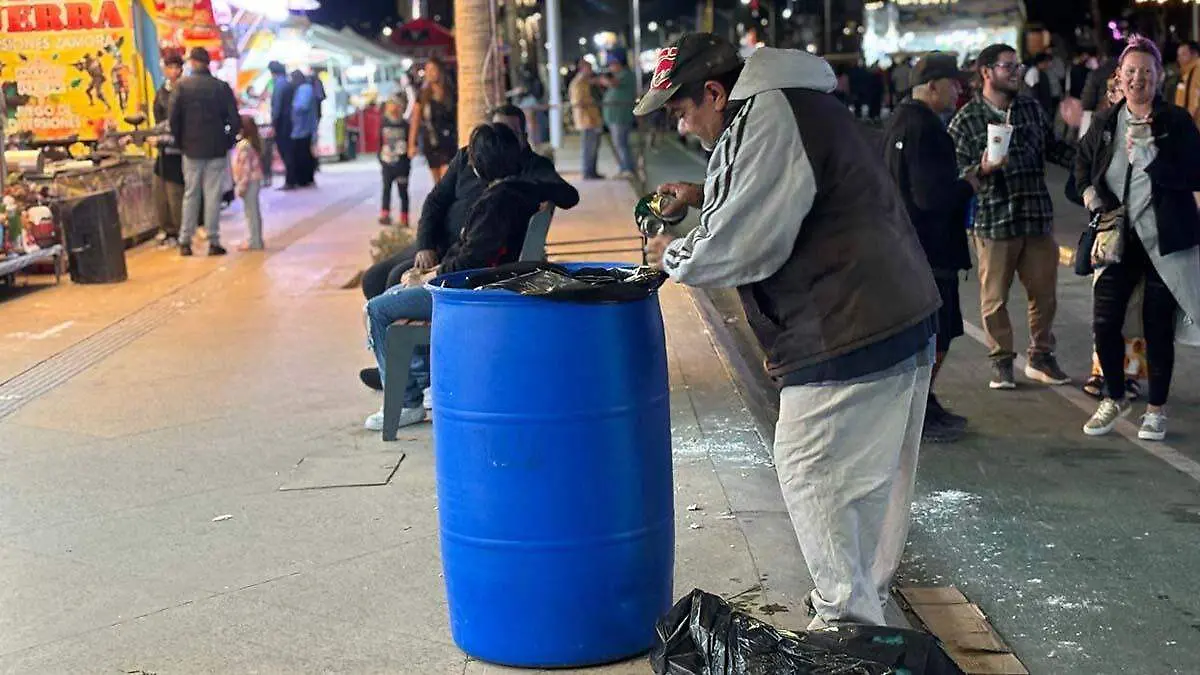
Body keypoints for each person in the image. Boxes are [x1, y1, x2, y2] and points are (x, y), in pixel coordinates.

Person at [637, 34, 941, 630]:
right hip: (892, 315)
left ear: (716, 92)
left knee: (810, 468)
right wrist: (704, 197)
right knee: (868, 487)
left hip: (848, 326)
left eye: (682, 109)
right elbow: (779, 192)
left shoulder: (772, 113)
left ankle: (846, 628)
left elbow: (744, 242)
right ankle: (862, 614)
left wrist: (673, 254)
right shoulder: (784, 104)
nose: (681, 122)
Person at [362, 123, 581, 431]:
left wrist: (427, 277)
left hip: (468, 292)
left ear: (478, 165)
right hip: (476, 281)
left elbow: (472, 261)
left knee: (377, 308)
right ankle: (417, 380)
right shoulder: (522, 190)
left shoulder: (496, 203)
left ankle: (405, 402)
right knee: (388, 286)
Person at [1074, 37, 1200, 441]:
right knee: (1104, 321)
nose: (1137, 79)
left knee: (1157, 328)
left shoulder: (1176, 122)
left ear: (1159, 77)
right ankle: (1113, 394)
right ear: (1119, 77)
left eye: (1146, 72)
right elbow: (1081, 163)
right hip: (1118, 236)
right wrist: (1090, 195)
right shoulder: (1108, 121)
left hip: (1163, 240)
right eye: (1130, 72)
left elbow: (1193, 175)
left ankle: (1156, 410)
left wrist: (1154, 164)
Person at [360, 105, 579, 305]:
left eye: (509, 133)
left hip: (464, 253)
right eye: (496, 130)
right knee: (372, 279)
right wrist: (425, 244)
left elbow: (568, 196)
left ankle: (411, 342)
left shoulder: (530, 167)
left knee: (395, 279)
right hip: (439, 242)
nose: (499, 138)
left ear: (522, 136)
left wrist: (518, 184)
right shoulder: (469, 155)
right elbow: (435, 200)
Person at [948, 43, 1069, 390]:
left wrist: (1091, 154)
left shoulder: (1030, 108)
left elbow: (1055, 148)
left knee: (1044, 294)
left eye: (1017, 66)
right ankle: (1002, 360)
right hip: (994, 220)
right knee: (994, 298)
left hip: (1035, 215)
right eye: (1007, 67)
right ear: (986, 72)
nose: (1016, 72)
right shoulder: (966, 119)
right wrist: (981, 168)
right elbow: (953, 173)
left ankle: (1041, 356)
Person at [883, 53, 982, 443]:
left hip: (906, 246)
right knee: (938, 333)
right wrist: (970, 184)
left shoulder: (898, 120)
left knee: (931, 333)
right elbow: (931, 196)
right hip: (930, 249)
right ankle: (915, 409)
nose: (960, 90)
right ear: (933, 86)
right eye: (954, 84)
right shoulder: (926, 127)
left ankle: (922, 402)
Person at [169, 46, 239, 257]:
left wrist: (181, 141)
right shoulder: (220, 87)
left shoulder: (182, 87)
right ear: (207, 63)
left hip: (190, 149)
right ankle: (214, 241)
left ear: (192, 62)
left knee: (191, 194)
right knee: (212, 195)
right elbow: (234, 119)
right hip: (216, 148)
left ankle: (185, 241)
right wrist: (227, 141)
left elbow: (174, 119)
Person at [152, 51, 184, 249]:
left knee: (176, 194)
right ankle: (167, 229)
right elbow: (158, 120)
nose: (172, 71)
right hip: (163, 151)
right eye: (168, 66)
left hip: (178, 151)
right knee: (160, 192)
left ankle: (181, 230)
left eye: (175, 67)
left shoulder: (184, 90)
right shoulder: (161, 92)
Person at [409, 57, 457, 183]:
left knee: (447, 178)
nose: (430, 73)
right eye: (427, 70)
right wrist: (411, 144)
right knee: (437, 183)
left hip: (449, 141)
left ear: (440, 71)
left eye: (433, 69)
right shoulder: (422, 94)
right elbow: (415, 120)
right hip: (431, 140)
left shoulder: (450, 92)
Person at [598, 51, 638, 179]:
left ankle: (628, 169)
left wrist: (602, 80)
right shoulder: (619, 75)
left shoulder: (626, 75)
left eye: (612, 64)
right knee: (618, 143)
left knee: (621, 143)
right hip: (613, 116)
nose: (610, 67)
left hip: (620, 116)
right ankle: (624, 168)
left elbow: (613, 83)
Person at [378, 92, 412, 226]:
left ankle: (404, 217)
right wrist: (380, 158)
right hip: (387, 161)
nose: (393, 108)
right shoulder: (383, 123)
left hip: (402, 163)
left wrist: (407, 160)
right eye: (390, 105)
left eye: (396, 105)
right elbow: (380, 142)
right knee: (386, 189)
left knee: (403, 192)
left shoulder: (405, 124)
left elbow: (410, 141)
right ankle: (384, 214)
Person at [232, 115, 265, 251]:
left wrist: (241, 186)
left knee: (251, 213)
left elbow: (245, 168)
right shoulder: (253, 143)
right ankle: (256, 239)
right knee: (254, 211)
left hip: (249, 182)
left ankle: (255, 241)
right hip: (254, 180)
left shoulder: (243, 146)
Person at [570, 59, 604, 180]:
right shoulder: (579, 83)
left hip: (591, 119)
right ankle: (588, 172)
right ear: (582, 69)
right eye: (588, 68)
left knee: (593, 147)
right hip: (587, 120)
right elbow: (578, 102)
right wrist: (591, 102)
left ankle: (592, 171)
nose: (590, 70)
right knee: (589, 147)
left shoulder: (584, 82)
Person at [268, 61, 296, 190]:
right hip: (290, 121)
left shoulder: (279, 84)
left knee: (285, 149)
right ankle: (292, 179)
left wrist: (274, 123)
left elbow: (277, 106)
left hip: (283, 122)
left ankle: (289, 181)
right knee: (289, 150)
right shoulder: (288, 82)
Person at [289, 70, 318, 188]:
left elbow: (302, 106)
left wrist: (292, 107)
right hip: (303, 129)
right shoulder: (306, 88)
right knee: (305, 154)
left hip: (302, 129)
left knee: (302, 155)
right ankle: (306, 178)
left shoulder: (304, 89)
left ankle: (303, 179)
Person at [1175, 41, 1200, 125]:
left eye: (1183, 54)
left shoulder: (1196, 71)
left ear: (1195, 54)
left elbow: (1194, 100)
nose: (1179, 58)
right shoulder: (1186, 73)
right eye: (1178, 55)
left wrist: (1185, 124)